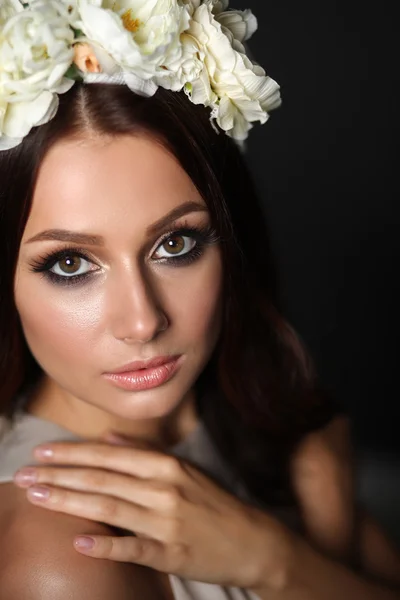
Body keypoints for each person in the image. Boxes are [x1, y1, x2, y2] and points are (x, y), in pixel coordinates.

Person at [1, 1, 400, 598]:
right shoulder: (64, 562)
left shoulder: (257, 425)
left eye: (175, 243)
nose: (143, 321)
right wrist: (283, 564)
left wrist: (316, 534)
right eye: (69, 264)